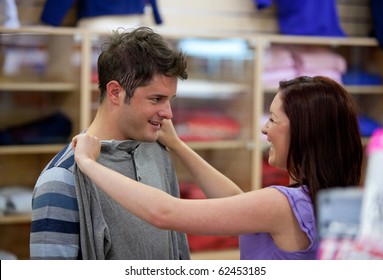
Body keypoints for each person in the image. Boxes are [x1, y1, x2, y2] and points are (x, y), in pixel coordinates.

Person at [72, 76, 363, 260]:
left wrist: (88, 163)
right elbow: (236, 201)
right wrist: (178, 145)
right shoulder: (326, 200)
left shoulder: (282, 205)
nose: (264, 129)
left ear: (303, 132)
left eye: (273, 120)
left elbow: (164, 213)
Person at [30, 26, 190, 260]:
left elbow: (177, 250)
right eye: (157, 99)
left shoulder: (156, 152)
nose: (168, 113)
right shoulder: (61, 180)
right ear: (115, 92)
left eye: (170, 100)